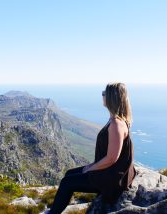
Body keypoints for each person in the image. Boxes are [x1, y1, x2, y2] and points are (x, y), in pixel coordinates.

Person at [46, 82, 137, 214]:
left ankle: (53, 212)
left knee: (67, 182)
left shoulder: (117, 123)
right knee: (69, 174)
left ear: (111, 97)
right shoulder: (116, 120)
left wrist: (90, 168)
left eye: (104, 93)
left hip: (112, 179)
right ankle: (56, 209)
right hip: (111, 173)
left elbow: (112, 158)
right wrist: (90, 167)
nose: (102, 96)